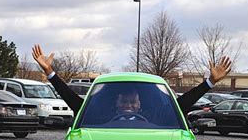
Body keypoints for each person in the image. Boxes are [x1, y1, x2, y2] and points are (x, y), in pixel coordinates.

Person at [32, 44, 232, 115]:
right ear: (117, 102)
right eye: (125, 101)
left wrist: (210, 83)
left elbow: (181, 104)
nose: (128, 105)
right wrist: (50, 72)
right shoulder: (99, 117)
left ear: (139, 103)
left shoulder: (157, 117)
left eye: (132, 101)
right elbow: (72, 99)